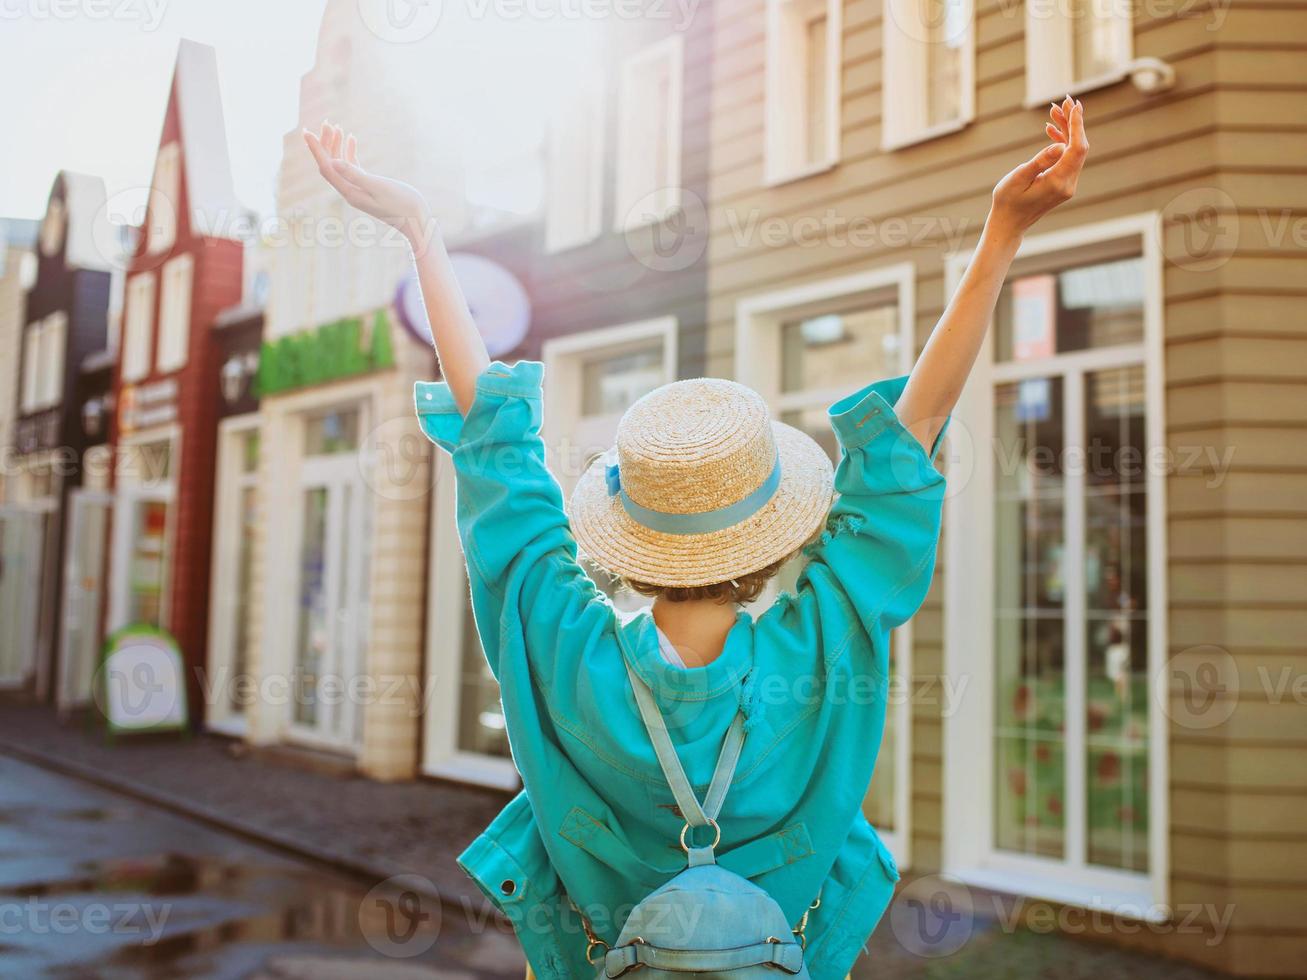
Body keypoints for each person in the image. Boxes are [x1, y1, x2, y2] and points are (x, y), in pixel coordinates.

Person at [305, 96, 1089, 979]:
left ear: (629, 534)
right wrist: (1001, 233)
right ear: (767, 543)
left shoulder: (566, 646)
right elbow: (911, 437)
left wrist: (421, 231)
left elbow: (498, 450)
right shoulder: (821, 643)